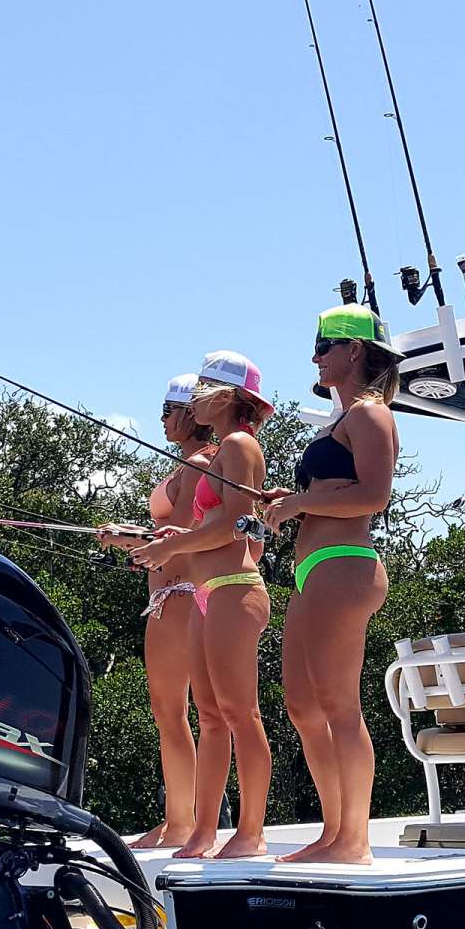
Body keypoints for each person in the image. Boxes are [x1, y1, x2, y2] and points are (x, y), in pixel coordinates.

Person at [263, 305, 400, 864]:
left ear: (356, 351)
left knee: (340, 707)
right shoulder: (338, 422)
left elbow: (374, 495)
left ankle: (354, 840)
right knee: (301, 703)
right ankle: (333, 831)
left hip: (345, 564)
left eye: (325, 345)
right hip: (311, 570)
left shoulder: (371, 415)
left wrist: (300, 502)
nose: (315, 356)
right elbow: (328, 493)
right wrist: (288, 504)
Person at [131, 352, 273, 860]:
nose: (194, 398)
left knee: (241, 714)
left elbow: (236, 525)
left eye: (205, 387)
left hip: (234, 586)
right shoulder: (223, 452)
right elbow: (222, 525)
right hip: (210, 591)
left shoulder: (237, 444)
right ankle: (202, 832)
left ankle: (251, 831)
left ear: (231, 397)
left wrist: (170, 546)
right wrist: (169, 539)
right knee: (212, 716)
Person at [95, 375, 221, 850]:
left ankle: (185, 823)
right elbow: (168, 534)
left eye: (168, 410)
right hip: (165, 598)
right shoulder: (182, 464)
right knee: (167, 710)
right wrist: (137, 541)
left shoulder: (204, 463)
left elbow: (190, 536)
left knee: (190, 711)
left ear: (191, 413)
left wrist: (133, 540)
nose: (162, 419)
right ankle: (177, 819)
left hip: (186, 594)